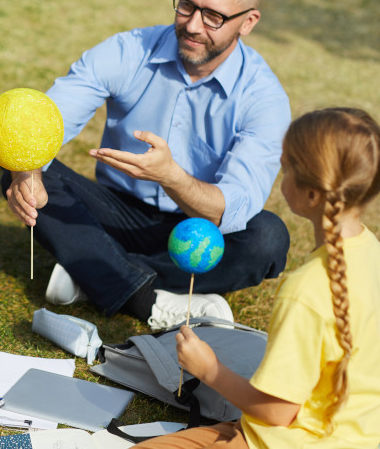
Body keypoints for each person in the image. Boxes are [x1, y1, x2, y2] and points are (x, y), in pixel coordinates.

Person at [3, 0, 291, 329]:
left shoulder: (264, 98)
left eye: (213, 16)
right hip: (115, 211)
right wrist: (28, 173)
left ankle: (93, 271)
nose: (192, 25)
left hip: (198, 227)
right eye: (186, 5)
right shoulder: (130, 49)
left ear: (248, 21)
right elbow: (44, 122)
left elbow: (230, 210)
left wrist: (171, 176)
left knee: (267, 238)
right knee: (16, 162)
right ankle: (149, 298)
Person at [131, 107, 380, 448]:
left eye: (288, 166)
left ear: (312, 194)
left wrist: (208, 370)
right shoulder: (372, 253)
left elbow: (278, 412)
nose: (282, 175)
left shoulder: (306, 290)